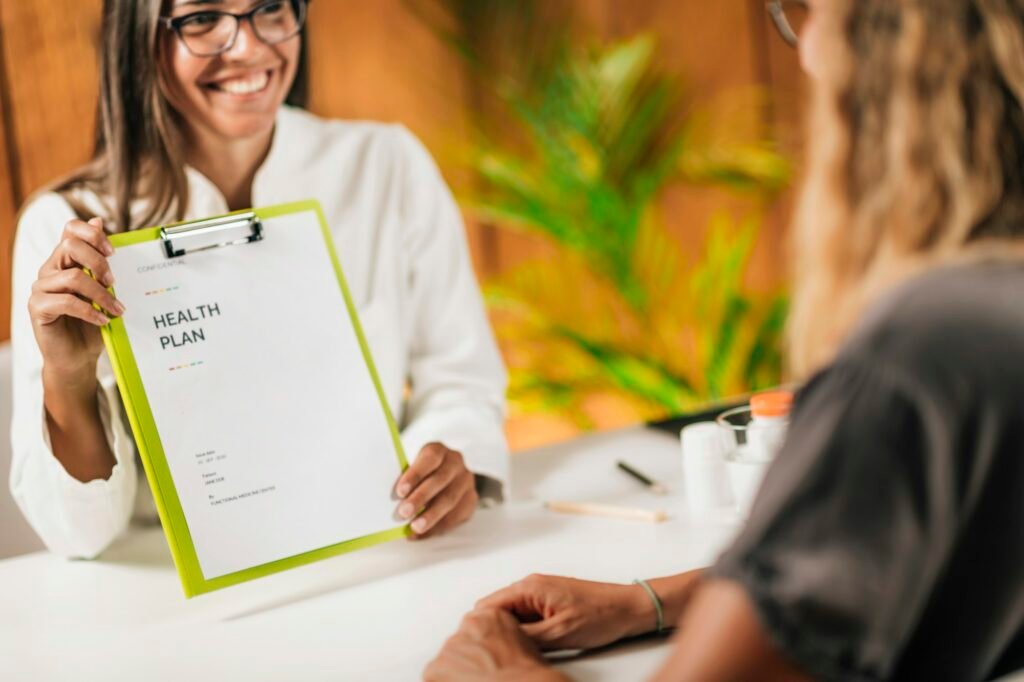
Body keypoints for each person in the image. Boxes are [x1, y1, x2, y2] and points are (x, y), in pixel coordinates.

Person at [424, 1, 1024, 680]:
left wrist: (497, 672)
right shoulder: (990, 318)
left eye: (807, 13)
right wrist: (649, 602)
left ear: (894, 51)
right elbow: (878, 558)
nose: (802, 51)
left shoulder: (912, 363)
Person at [9, 0, 509, 560]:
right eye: (201, 19)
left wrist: (444, 463)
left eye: (270, 7)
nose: (248, 47)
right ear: (140, 41)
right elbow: (79, 535)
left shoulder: (385, 165)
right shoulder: (65, 229)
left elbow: (461, 378)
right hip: (167, 590)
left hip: (376, 550)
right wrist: (68, 377)